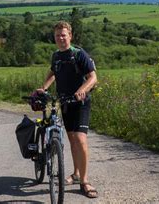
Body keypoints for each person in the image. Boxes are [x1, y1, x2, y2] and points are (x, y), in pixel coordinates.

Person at [36, 21, 98, 199]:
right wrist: (44, 88)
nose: (61, 38)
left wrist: (82, 90)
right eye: (57, 35)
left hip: (80, 102)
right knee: (72, 140)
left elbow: (93, 77)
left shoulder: (79, 54)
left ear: (70, 36)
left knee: (80, 139)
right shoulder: (56, 56)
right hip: (64, 102)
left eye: (63, 35)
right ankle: (76, 173)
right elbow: (53, 72)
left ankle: (84, 182)